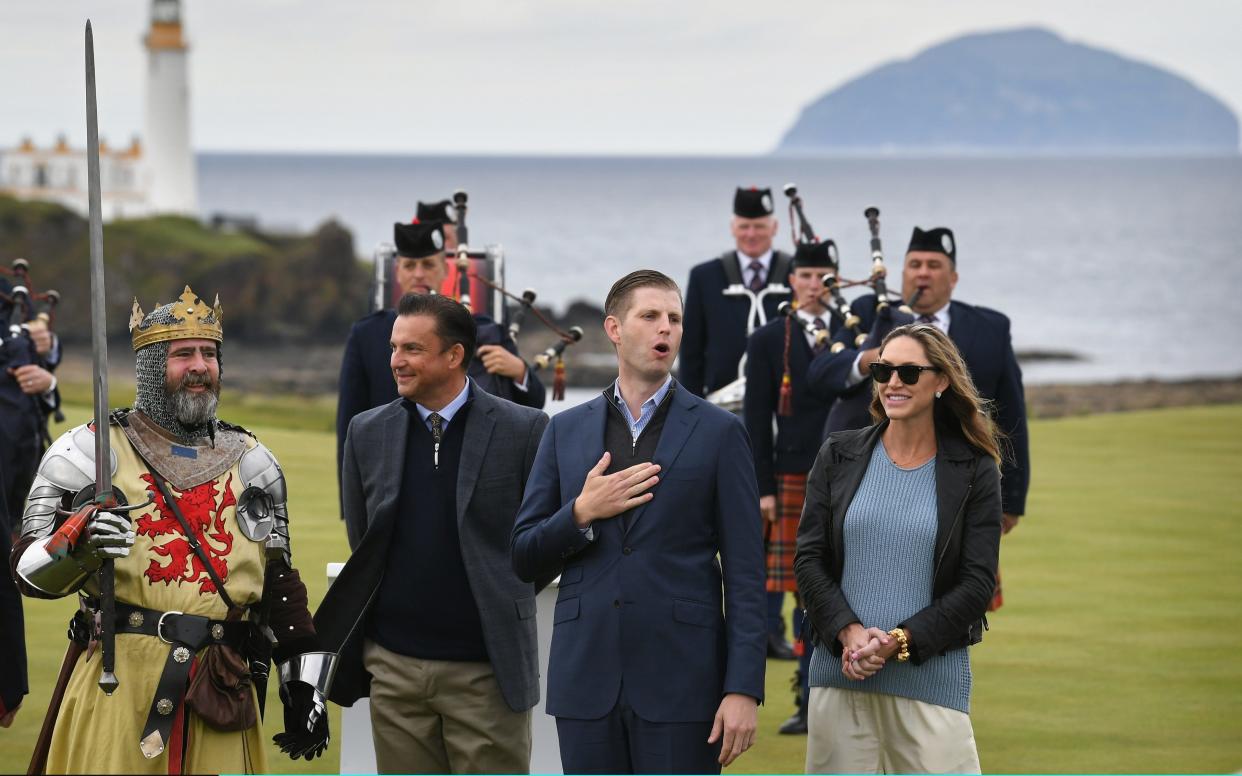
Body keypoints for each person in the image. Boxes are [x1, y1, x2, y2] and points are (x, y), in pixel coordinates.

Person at [9, 286, 333, 774]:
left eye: (208, 353)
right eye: (183, 354)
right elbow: (27, 571)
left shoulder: (254, 462)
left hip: (219, 689)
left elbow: (279, 585)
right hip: (119, 687)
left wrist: (304, 684)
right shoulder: (91, 453)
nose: (200, 366)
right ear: (150, 366)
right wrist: (82, 546)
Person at [512, 269, 766, 774]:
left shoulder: (721, 432)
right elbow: (523, 556)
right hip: (585, 681)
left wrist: (742, 689)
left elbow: (745, 575)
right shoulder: (563, 431)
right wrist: (581, 513)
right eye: (649, 316)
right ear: (614, 329)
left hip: (684, 683)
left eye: (674, 319)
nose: (665, 330)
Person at [316, 292, 550, 774]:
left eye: (412, 350)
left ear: (455, 355)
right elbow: (366, 542)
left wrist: (505, 595)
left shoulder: (525, 429)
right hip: (394, 672)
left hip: (487, 674)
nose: (396, 362)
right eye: (394, 348)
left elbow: (543, 546)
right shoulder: (365, 431)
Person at [795, 323, 1002, 774]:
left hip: (931, 687)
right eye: (883, 370)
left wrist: (897, 642)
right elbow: (809, 560)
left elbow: (977, 583)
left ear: (941, 381)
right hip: (839, 679)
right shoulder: (838, 455)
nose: (892, 382)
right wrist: (849, 633)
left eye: (909, 372)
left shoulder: (975, 469)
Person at [807, 226, 1029, 551]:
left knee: (957, 579)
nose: (922, 273)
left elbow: (1012, 416)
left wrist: (1011, 500)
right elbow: (820, 373)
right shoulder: (870, 313)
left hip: (956, 478)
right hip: (866, 471)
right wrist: (872, 358)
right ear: (901, 273)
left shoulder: (990, 328)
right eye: (915, 265)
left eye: (933, 265)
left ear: (953, 277)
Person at [336, 218, 545, 514]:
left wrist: (520, 371)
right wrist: (351, 502)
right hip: (387, 470)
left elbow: (530, 407)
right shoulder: (366, 332)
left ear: (445, 269)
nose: (418, 273)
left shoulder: (481, 328)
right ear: (397, 271)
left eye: (428, 265)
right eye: (409, 265)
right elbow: (350, 417)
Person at [742, 239, 840, 734]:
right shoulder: (767, 340)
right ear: (792, 281)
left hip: (849, 470)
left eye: (823, 276)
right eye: (804, 276)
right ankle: (806, 698)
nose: (813, 285)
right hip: (791, 474)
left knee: (842, 586)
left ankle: (839, 692)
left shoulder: (853, 333)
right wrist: (763, 486)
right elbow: (756, 421)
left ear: (836, 281)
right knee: (806, 591)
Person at [680, 187, 793, 398]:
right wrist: (689, 406)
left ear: (774, 227)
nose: (751, 234)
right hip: (720, 400)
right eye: (744, 226)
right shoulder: (704, 277)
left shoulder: (798, 275)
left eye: (759, 226)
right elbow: (690, 352)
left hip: (785, 401)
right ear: (733, 228)